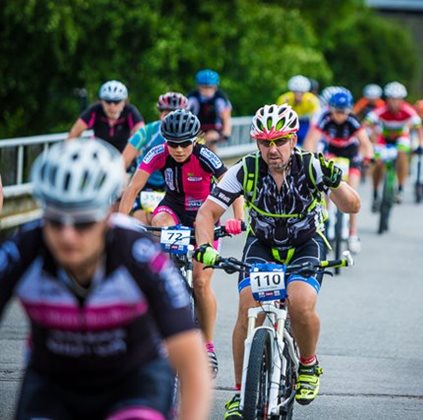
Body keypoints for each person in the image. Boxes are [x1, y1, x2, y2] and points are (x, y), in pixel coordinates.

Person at [0, 139, 211, 419]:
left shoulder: (139, 254)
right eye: (54, 221)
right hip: (53, 383)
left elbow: (191, 362)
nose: (67, 235)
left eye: (84, 223)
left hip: (134, 382)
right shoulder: (24, 248)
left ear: (107, 217)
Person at [193, 104, 361, 419]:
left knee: (300, 303)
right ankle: (242, 393)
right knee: (247, 307)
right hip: (263, 245)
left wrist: (336, 181)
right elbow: (207, 213)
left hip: (305, 245)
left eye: (280, 141)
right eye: (265, 142)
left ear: (293, 139)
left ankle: (308, 364)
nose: (273, 149)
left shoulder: (311, 166)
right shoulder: (246, 169)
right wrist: (204, 247)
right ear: (257, 143)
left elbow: (352, 206)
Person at [119, 109, 244, 378]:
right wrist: (119, 222)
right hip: (173, 208)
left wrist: (238, 219)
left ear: (196, 139)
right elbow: (132, 190)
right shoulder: (158, 153)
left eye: (185, 143)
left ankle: (207, 345)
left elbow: (233, 187)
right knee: (159, 222)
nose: (178, 149)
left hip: (204, 216)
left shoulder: (205, 155)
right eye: (172, 143)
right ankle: (165, 279)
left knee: (200, 282)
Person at [303, 90, 374, 253]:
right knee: (325, 189)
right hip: (332, 152)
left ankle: (352, 234)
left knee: (352, 193)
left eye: (344, 111)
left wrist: (368, 157)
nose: (340, 115)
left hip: (351, 155)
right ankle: (325, 221)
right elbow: (311, 140)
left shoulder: (353, 121)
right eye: (337, 111)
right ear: (331, 109)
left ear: (349, 110)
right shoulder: (324, 118)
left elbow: (365, 142)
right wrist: (309, 157)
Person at [121, 92, 189, 224]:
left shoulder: (190, 134)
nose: (171, 117)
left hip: (173, 185)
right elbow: (124, 161)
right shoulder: (147, 132)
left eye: (175, 113)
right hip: (146, 183)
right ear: (160, 113)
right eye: (166, 113)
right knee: (139, 220)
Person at [365, 81, 423, 206]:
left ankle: (400, 188)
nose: (394, 102)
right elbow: (365, 123)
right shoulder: (380, 110)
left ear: (402, 100)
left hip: (401, 138)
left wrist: (421, 144)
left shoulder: (409, 111)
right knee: (378, 162)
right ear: (387, 99)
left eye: (398, 99)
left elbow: (419, 129)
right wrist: (369, 137)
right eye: (391, 99)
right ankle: (376, 192)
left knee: (402, 153)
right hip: (384, 138)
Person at [67, 80, 144, 152]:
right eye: (108, 101)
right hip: (100, 154)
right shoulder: (95, 110)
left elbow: (142, 136)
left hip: (123, 155)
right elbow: (73, 134)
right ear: (101, 101)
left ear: (124, 102)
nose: (112, 106)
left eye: (116, 102)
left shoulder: (130, 111)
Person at [188, 68, 233, 153]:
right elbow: (184, 111)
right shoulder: (192, 98)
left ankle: (214, 162)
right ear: (198, 87)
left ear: (215, 87)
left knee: (210, 139)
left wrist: (226, 132)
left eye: (210, 87)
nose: (207, 91)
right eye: (204, 87)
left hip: (214, 129)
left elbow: (226, 116)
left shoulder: (220, 99)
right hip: (196, 129)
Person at [276, 75, 321, 145]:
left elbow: (317, 117)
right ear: (292, 91)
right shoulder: (284, 99)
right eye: (295, 92)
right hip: (290, 122)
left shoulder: (312, 100)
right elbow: (278, 117)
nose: (298, 95)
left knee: (308, 138)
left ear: (305, 92)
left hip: (306, 122)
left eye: (301, 93)